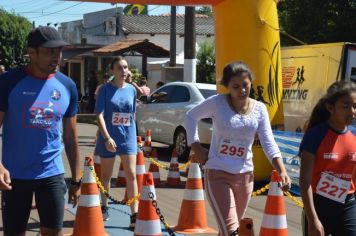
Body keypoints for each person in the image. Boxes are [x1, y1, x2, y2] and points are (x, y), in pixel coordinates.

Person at [185, 61, 291, 235]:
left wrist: (282, 170)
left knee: (229, 231)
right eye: (236, 86)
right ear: (227, 86)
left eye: (245, 85)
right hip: (217, 172)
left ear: (251, 83)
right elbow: (190, 116)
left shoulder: (260, 109)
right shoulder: (217, 103)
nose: (242, 90)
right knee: (232, 231)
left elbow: (268, 142)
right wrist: (196, 145)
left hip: (245, 176)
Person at [0, 26, 81, 236]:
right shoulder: (8, 82)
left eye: (59, 51)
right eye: (48, 51)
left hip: (52, 174)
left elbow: (71, 138)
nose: (56, 57)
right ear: (31, 52)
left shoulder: (68, 86)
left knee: (54, 233)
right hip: (14, 176)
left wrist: (76, 179)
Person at [299, 80, 356, 236]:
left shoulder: (354, 136)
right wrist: (313, 220)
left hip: (347, 204)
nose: (352, 112)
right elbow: (304, 182)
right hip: (318, 206)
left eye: (355, 106)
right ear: (331, 108)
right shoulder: (316, 134)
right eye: (345, 106)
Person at [94, 56, 139, 227]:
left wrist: (136, 136)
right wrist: (106, 137)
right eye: (119, 68)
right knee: (106, 176)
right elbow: (99, 115)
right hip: (109, 138)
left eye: (125, 67)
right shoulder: (105, 90)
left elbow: (132, 115)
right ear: (112, 71)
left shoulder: (132, 90)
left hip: (127, 137)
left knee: (132, 175)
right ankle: (104, 206)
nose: (123, 71)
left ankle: (134, 213)